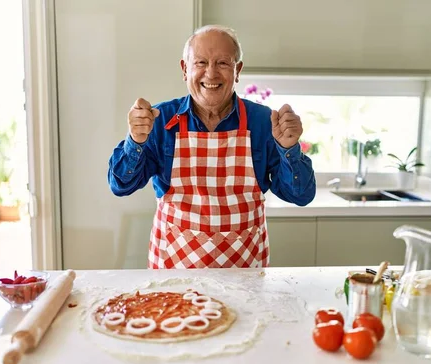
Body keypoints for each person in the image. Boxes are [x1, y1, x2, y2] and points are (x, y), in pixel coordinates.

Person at [108, 25, 316, 269]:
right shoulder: (160, 120)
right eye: (201, 63)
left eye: (222, 63)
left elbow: (300, 196)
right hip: (173, 273)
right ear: (185, 69)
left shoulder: (265, 122)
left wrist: (289, 149)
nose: (211, 73)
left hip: (245, 276)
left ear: (237, 71)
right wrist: (135, 141)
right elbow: (121, 185)